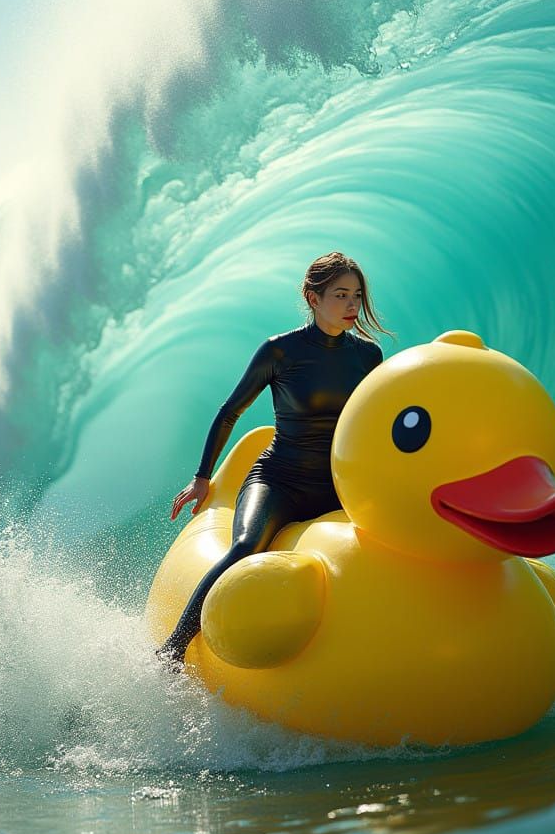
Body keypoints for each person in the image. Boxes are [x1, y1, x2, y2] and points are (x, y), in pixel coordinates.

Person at [156, 252, 391, 667]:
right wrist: (202, 477)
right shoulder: (279, 351)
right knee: (246, 546)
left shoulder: (367, 356)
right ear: (313, 298)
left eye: (356, 295)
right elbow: (230, 412)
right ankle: (172, 650)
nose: (352, 305)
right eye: (340, 295)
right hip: (280, 480)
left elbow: (373, 423)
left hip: (336, 486)